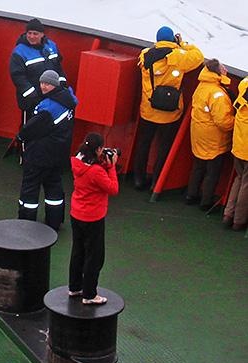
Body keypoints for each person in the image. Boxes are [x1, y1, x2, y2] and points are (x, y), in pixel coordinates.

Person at [129, 27, 202, 191]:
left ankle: (138, 179)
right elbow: (198, 56)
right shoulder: (177, 56)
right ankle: (156, 181)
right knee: (164, 147)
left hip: (148, 109)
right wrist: (182, 44)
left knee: (144, 144)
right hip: (170, 112)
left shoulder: (145, 54)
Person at [15, 70, 76, 231]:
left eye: (47, 83)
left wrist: (20, 137)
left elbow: (31, 129)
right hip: (58, 155)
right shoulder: (68, 100)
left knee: (30, 190)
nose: (43, 86)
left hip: (40, 156)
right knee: (54, 187)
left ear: (54, 85)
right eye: (42, 82)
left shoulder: (48, 108)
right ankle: (54, 221)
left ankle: (26, 223)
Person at [69, 133, 118, 306]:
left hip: (76, 214)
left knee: (78, 251)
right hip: (93, 218)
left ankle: (75, 286)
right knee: (94, 257)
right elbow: (112, 188)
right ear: (97, 149)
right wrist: (111, 167)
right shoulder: (96, 171)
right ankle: (89, 294)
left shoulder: (77, 160)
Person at [185, 58, 234, 211]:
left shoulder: (202, 86)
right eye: (223, 68)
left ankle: (191, 194)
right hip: (213, 138)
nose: (225, 70)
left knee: (198, 166)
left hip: (199, 133)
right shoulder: (217, 94)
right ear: (217, 72)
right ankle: (206, 201)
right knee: (212, 171)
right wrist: (237, 122)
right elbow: (223, 122)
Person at [9, 18, 64, 119]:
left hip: (51, 97)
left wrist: (61, 85)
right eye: (29, 33)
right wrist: (32, 95)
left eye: (35, 33)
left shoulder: (51, 46)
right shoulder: (20, 51)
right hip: (30, 101)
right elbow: (18, 76)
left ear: (42, 34)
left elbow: (58, 67)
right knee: (28, 129)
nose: (31, 36)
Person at [222, 75, 248, 231]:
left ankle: (228, 214)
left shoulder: (244, 84)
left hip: (238, 146)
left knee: (239, 179)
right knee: (246, 185)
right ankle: (239, 220)